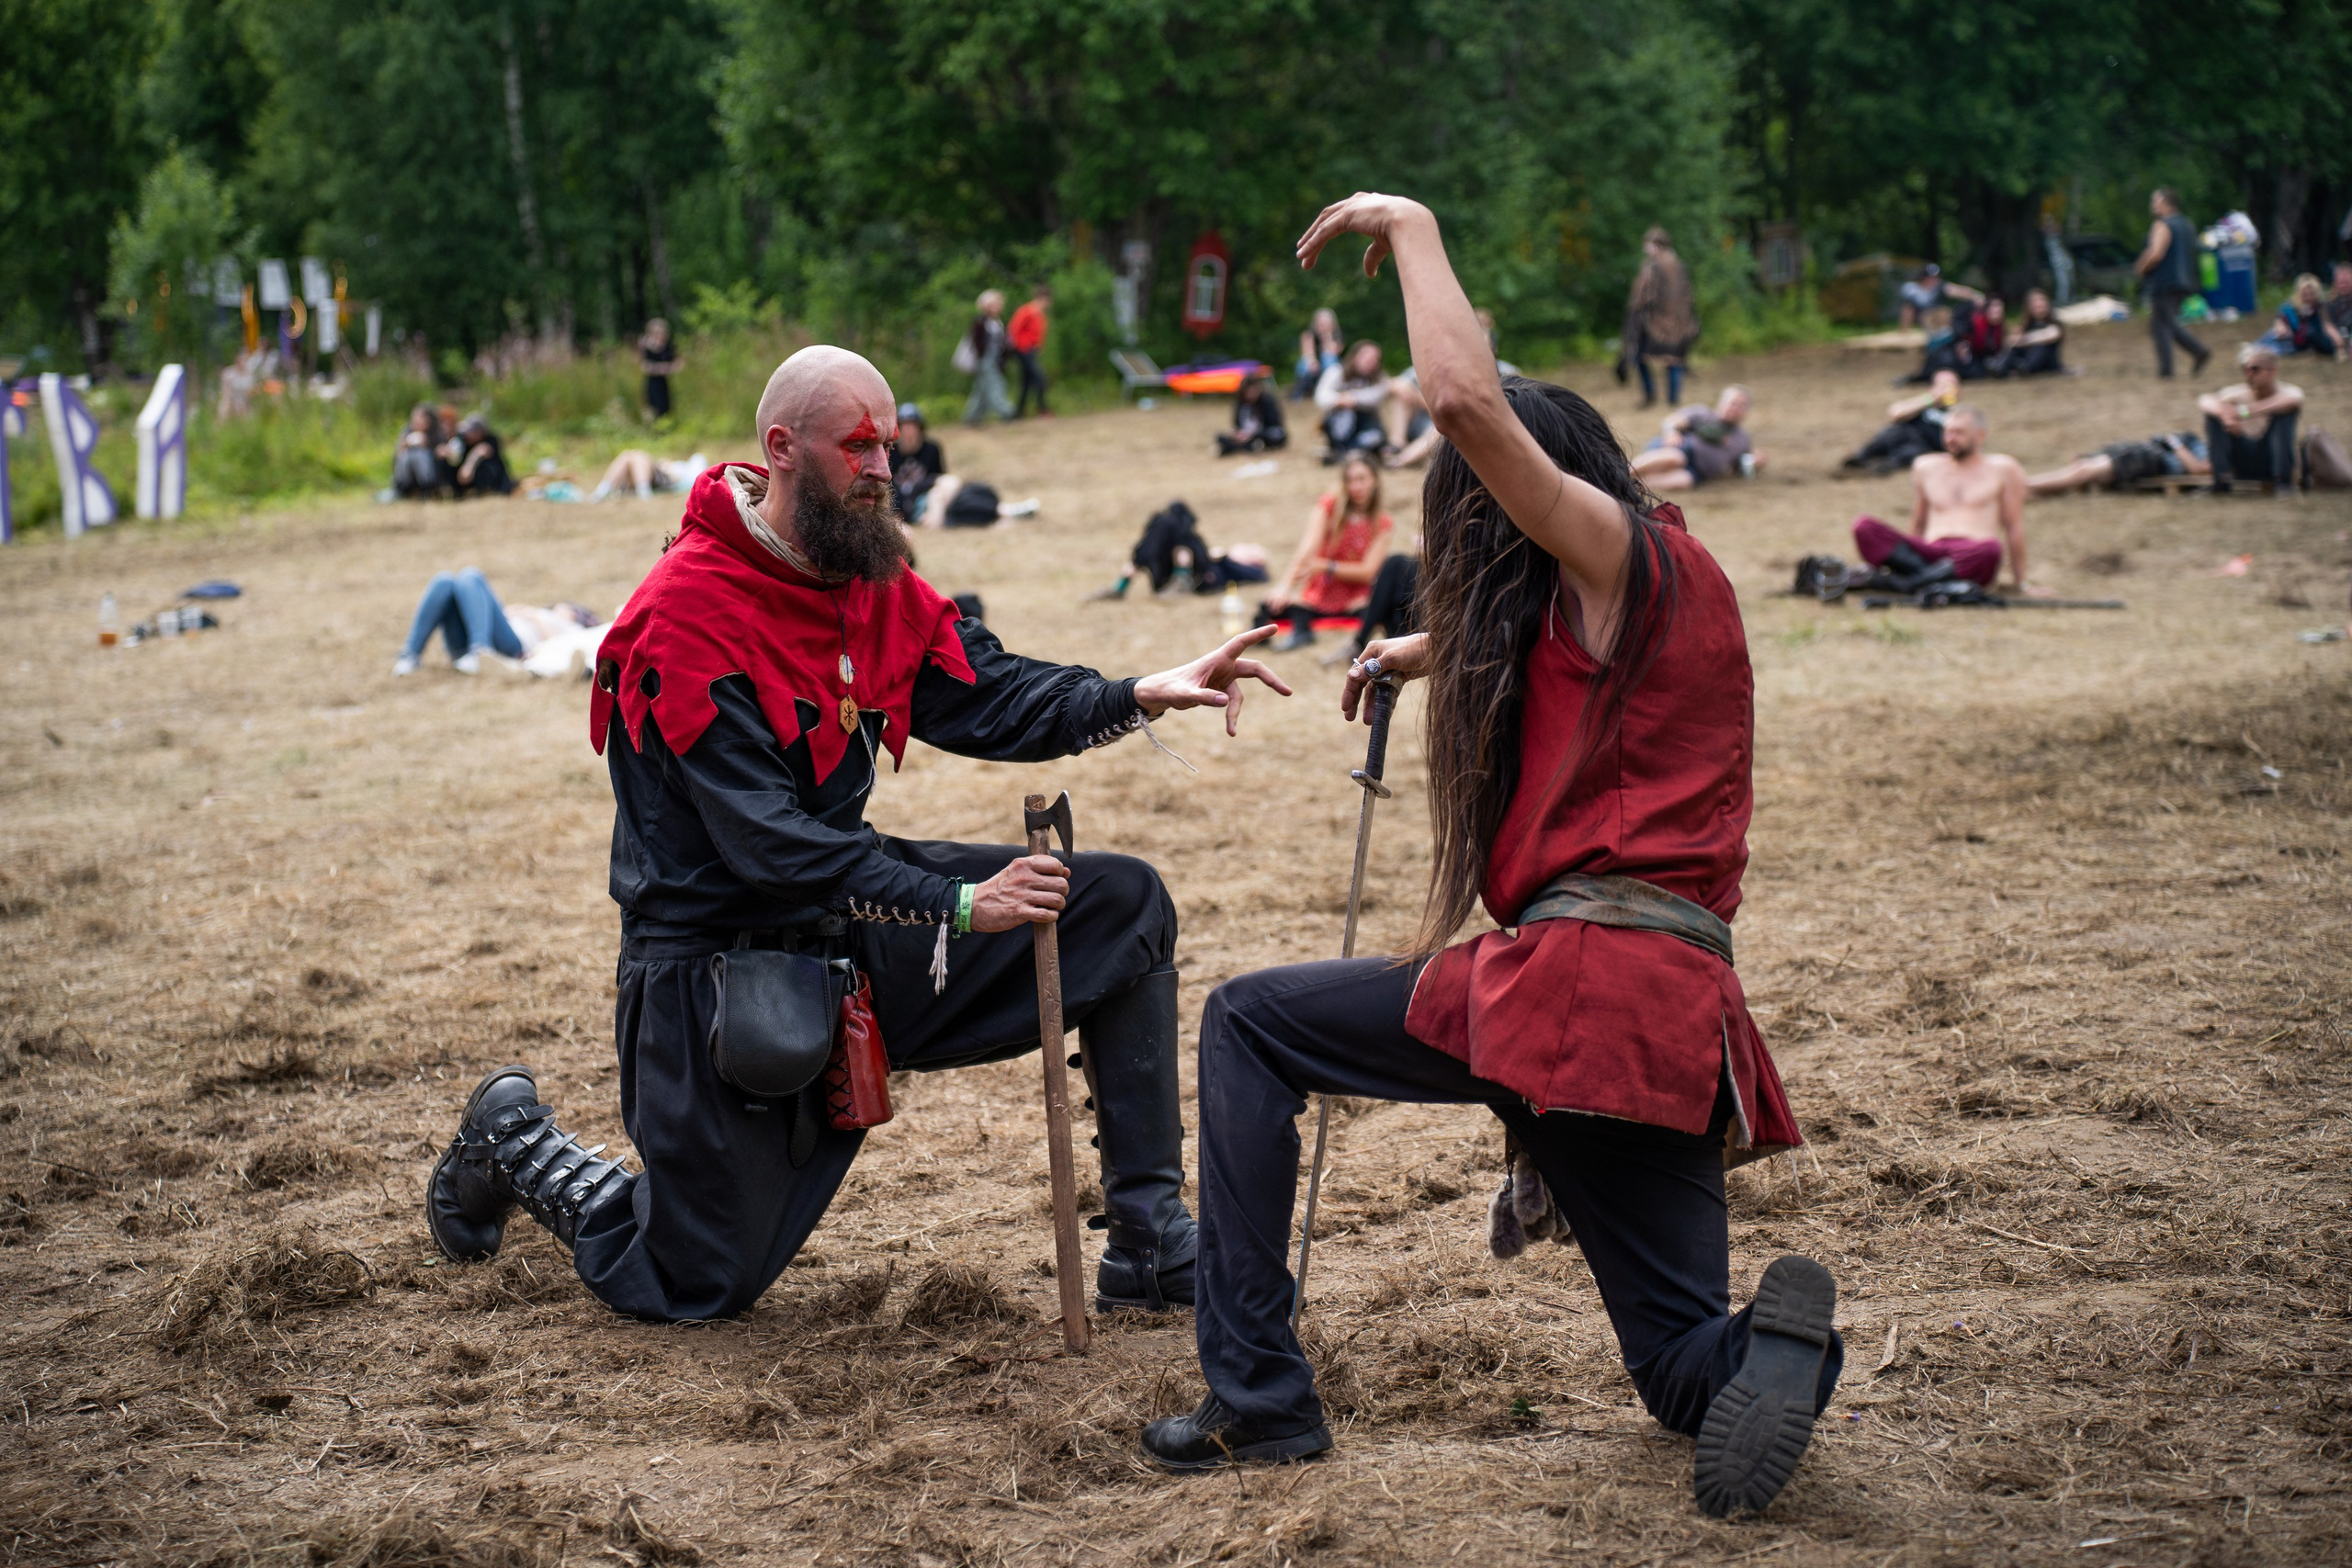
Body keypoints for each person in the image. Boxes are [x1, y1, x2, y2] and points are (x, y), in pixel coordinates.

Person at [1143, 192, 1840, 1525]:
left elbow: (1464, 403)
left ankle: (1258, 1398)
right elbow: (1558, 652)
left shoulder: (1622, 553)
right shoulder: (1668, 584)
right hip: (1669, 1026)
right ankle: (1775, 1352)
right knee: (1680, 1362)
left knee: (1246, 1022)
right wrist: (1426, 646)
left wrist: (1409, 228)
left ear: (1556, 483)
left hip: (1580, 991)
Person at [423, 345, 1297, 1327]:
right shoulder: (684, 619)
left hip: (844, 927)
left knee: (1117, 907)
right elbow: (772, 847)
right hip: (715, 970)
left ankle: (1148, 1237)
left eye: (887, 443)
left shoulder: (861, 579)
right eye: (859, 447)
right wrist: (962, 904)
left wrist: (1138, 692)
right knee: (691, 1281)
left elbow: (986, 691)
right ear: (782, 448)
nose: (884, 467)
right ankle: (514, 1142)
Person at [1849, 406, 2037, 592]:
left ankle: (1901, 583)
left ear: (1980, 435)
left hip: (1971, 552)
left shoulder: (2004, 468)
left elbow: (2013, 527)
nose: (1950, 438)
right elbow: (1919, 523)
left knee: (1991, 548)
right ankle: (1928, 581)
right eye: (1947, 432)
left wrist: (2021, 582)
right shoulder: (1926, 467)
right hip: (1929, 550)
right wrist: (1910, 545)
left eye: (1959, 433)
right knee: (1864, 526)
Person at [1257, 454, 1394, 650]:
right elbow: (1307, 548)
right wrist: (1286, 586)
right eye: (1350, 480)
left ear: (1375, 481)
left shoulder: (1382, 523)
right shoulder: (1329, 507)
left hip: (1355, 597)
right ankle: (1300, 632)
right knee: (1270, 605)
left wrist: (1326, 566)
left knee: (1375, 611)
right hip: (1320, 593)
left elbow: (1367, 572)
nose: (1356, 487)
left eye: (1362, 479)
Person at [391, 568, 603, 677]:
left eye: (572, 609)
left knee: (471, 576)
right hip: (482, 634)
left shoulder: (572, 628)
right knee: (445, 581)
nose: (564, 607)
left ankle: (479, 650)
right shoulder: (543, 611)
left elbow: (557, 645)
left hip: (513, 644)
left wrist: (532, 616)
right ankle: (410, 655)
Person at [888, 404, 1039, 527]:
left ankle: (1006, 510)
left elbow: (940, 476)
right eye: (905, 426)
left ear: (920, 428)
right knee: (957, 505)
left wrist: (932, 489)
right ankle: (1007, 512)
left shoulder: (931, 449)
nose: (909, 431)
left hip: (934, 493)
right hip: (915, 505)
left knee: (966, 491)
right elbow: (890, 487)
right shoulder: (891, 453)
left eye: (912, 426)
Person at [2199, 343, 2304, 495]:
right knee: (2214, 415)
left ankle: (2283, 482)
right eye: (2245, 368)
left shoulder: (2287, 391)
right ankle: (2221, 481)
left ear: (2272, 370)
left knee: (2284, 414)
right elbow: (2205, 400)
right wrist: (2225, 416)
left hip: (2271, 459)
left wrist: (2243, 412)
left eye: (2255, 369)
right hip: (2243, 458)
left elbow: (2293, 402)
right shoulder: (2238, 392)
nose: (2249, 373)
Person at [2134, 189, 2211, 379]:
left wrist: (2140, 267)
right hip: (2185, 282)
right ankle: (2193, 354)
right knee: (2162, 323)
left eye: (2155, 201)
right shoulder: (2187, 224)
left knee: (2162, 326)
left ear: (2165, 202)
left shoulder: (2162, 224)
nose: (2152, 205)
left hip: (2165, 282)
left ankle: (2181, 361)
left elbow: (2156, 253)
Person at [1630, 386, 1761, 491]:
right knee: (1675, 458)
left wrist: (1757, 462)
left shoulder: (1743, 438)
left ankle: (1631, 484)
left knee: (1682, 481)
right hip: (1680, 448)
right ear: (1722, 402)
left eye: (1741, 406)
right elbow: (1671, 421)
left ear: (1746, 412)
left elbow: (1740, 467)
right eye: (1733, 403)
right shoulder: (1702, 413)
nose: (1736, 409)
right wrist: (1671, 432)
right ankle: (1624, 472)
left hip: (1698, 471)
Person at [1623, 227, 1699, 407]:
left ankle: (1650, 396)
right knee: (1675, 358)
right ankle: (1673, 399)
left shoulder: (1653, 266)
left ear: (1656, 245)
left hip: (1658, 325)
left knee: (1640, 356)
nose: (1646, 248)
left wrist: (1635, 315)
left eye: (1648, 244)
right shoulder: (1679, 264)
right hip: (1681, 324)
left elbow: (1642, 296)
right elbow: (1690, 295)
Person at [1838, 370, 1962, 475]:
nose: (1946, 389)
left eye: (1951, 385)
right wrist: (1930, 398)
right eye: (1942, 385)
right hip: (1904, 431)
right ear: (1932, 387)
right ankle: (1861, 457)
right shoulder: (1923, 403)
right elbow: (1895, 413)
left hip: (1924, 445)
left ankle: (1884, 466)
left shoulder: (1956, 413)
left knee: (1910, 453)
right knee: (1889, 433)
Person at [2027, 431, 2210, 497]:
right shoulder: (2207, 441)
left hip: (2152, 460)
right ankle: (2027, 490)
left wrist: (2175, 444)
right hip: (2142, 452)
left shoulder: (2216, 451)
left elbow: (2199, 470)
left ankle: (2023, 484)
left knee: (2084, 470)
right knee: (2082, 466)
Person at [1314, 340, 1391, 460]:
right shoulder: (1337, 372)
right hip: (1340, 424)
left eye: (1375, 359)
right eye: (1366, 356)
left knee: (1375, 436)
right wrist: (1339, 400)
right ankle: (1345, 451)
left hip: (1367, 425)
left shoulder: (1379, 378)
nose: (1371, 361)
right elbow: (1321, 397)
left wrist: (1352, 398)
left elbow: (1377, 395)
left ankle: (1349, 453)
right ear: (1355, 355)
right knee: (1345, 414)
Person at [2259, 273, 2347, 359]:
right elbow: (2280, 322)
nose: (2309, 298)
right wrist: (2282, 328)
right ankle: (2258, 349)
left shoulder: (2321, 307)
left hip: (2312, 339)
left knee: (2311, 335)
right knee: (2272, 335)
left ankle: (2261, 351)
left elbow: (2327, 325)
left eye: (2311, 295)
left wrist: (2339, 345)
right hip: (2293, 339)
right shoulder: (2290, 307)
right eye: (2305, 295)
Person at [960, 289, 1014, 424]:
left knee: (981, 390)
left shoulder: (997, 322)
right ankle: (1007, 412)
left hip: (996, 359)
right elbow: (976, 342)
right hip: (985, 360)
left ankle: (972, 417)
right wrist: (982, 356)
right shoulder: (980, 321)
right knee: (996, 385)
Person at [1989, 289, 2064, 377]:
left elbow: (2051, 334)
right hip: (2027, 359)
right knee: (2014, 348)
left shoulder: (2054, 325)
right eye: (2035, 303)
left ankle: (2023, 367)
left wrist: (2023, 339)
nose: (2039, 305)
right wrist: (2015, 339)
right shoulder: (2026, 326)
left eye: (2041, 302)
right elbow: (2009, 342)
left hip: (2046, 363)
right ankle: (2000, 367)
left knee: (2040, 345)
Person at [588, 449, 709, 502]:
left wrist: (666, 466)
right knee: (628, 455)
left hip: (664, 478)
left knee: (636, 456)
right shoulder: (681, 465)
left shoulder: (688, 468)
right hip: (652, 476)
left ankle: (602, 491)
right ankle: (601, 491)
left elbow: (682, 476)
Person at [1216, 372, 1288, 455]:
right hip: (1246, 435)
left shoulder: (1267, 400)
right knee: (1220, 437)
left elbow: (1275, 423)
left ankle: (1234, 447)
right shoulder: (1241, 403)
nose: (1252, 395)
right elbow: (1237, 423)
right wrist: (1238, 432)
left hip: (1262, 434)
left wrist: (1253, 435)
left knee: (1278, 436)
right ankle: (1247, 446)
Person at [1008, 285, 1052, 416]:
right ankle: (1042, 409)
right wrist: (1018, 347)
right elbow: (1013, 329)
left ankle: (1019, 411)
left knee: (1026, 381)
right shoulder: (1026, 311)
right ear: (1042, 298)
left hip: (1032, 351)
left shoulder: (1039, 314)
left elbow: (1038, 334)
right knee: (1040, 378)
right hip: (1024, 350)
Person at [392, 403, 451, 498]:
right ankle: (405, 491)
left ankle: (428, 490)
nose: (416, 420)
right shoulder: (407, 432)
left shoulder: (436, 433)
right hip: (407, 478)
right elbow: (396, 456)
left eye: (421, 417)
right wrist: (407, 444)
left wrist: (432, 449)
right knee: (409, 456)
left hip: (430, 476)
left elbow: (443, 451)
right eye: (415, 417)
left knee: (422, 455)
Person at [1897, 264, 1983, 329]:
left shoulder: (1940, 286)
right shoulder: (1913, 289)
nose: (1935, 280)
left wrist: (1976, 296)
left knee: (1947, 312)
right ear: (1924, 277)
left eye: (1936, 277)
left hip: (1938, 318)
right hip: (1923, 320)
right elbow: (1907, 311)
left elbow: (1959, 291)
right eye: (1931, 277)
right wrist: (1905, 329)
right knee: (1913, 308)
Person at [451, 415, 513, 498]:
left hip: (494, 482)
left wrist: (471, 462)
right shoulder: (463, 442)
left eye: (471, 431)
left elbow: (484, 451)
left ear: (480, 432)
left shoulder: (491, 440)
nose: (468, 434)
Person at [1292, 309, 1341, 401]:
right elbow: (1307, 353)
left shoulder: (1337, 336)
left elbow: (1333, 351)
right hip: (1313, 365)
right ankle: (1300, 390)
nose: (1324, 327)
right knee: (1304, 364)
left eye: (1327, 324)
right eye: (1321, 324)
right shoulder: (1308, 334)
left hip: (1327, 365)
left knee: (1329, 359)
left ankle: (1330, 388)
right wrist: (1313, 362)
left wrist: (1327, 336)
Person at [640, 319, 681, 421]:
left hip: (665, 381)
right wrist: (660, 368)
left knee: (666, 405)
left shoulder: (669, 346)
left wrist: (669, 368)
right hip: (653, 382)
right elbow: (644, 366)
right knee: (653, 406)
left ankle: (665, 427)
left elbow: (678, 362)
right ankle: (654, 428)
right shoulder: (647, 347)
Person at [2327, 263, 2352, 347]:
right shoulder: (2330, 303)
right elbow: (2327, 323)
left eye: (2346, 283)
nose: (2343, 286)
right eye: (2340, 283)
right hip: (2339, 341)